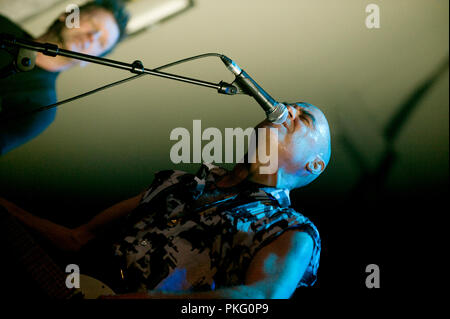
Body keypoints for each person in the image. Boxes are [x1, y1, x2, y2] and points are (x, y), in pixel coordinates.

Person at [0, 102, 331, 299]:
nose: (286, 109)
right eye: (289, 105)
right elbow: (76, 238)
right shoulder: (179, 183)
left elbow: (258, 299)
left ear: (314, 164)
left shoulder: (291, 231)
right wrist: (9, 210)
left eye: (303, 119)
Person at [0, 0, 129, 155]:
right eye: (92, 24)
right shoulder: (3, 25)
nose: (92, 37)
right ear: (67, 15)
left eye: (101, 43)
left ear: (88, 61)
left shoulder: (39, 107)